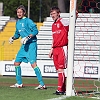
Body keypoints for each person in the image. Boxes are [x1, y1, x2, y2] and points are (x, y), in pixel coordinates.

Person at [9, 5, 47, 89]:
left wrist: (28, 37)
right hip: (24, 45)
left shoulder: (28, 21)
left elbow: (35, 31)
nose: (19, 14)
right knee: (16, 63)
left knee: (33, 64)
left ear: (24, 13)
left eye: (20, 12)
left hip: (31, 44)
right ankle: (19, 83)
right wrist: (13, 38)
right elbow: (17, 34)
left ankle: (42, 84)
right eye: (17, 12)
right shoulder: (17, 22)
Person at [49, 7, 78, 95]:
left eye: (54, 13)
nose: (52, 16)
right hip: (55, 49)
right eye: (51, 14)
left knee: (61, 69)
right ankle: (63, 89)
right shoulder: (53, 25)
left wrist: (75, 16)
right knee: (58, 70)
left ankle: (60, 89)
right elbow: (54, 39)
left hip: (62, 48)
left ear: (58, 13)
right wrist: (51, 49)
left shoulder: (63, 21)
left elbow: (71, 22)